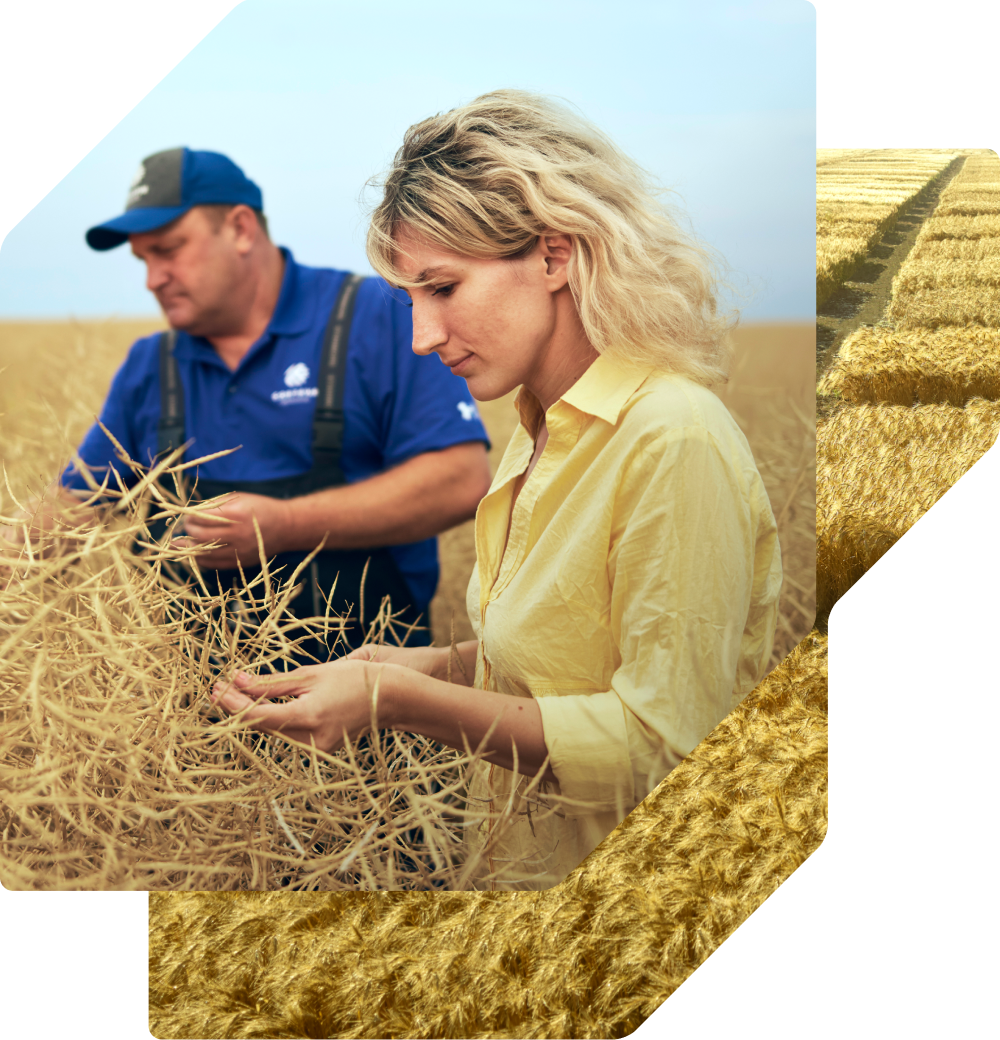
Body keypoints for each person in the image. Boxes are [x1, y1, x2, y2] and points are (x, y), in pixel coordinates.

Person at [209, 90, 784, 892]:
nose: (421, 337)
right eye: (409, 301)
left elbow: (665, 748)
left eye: (442, 289)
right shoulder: (538, 429)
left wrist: (394, 702)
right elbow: (568, 656)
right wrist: (428, 665)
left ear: (553, 255)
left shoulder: (671, 436)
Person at [1, 147, 494, 662]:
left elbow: (458, 479)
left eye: (168, 249)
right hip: (188, 719)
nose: (153, 279)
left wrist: (282, 526)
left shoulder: (378, 315)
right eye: (143, 260)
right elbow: (78, 503)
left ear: (239, 228)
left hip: (369, 702)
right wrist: (14, 545)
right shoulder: (152, 364)